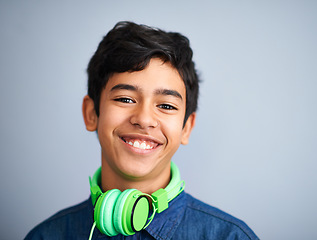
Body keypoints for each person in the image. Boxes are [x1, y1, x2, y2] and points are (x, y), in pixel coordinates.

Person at [25, 21, 259, 240]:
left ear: (186, 127)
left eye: (166, 105)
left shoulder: (230, 236)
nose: (144, 119)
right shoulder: (47, 235)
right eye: (125, 99)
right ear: (91, 113)